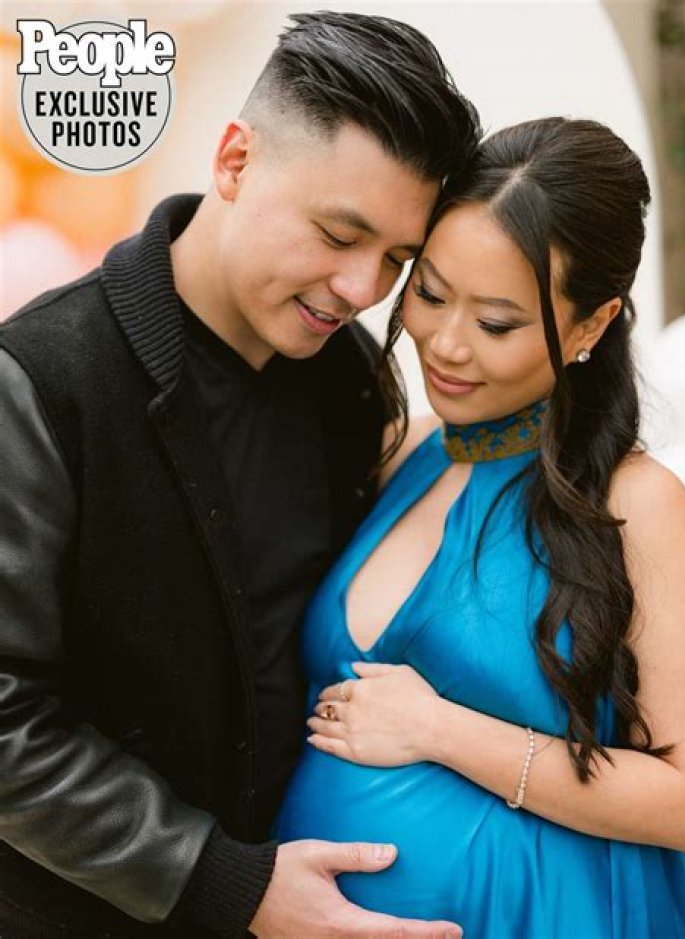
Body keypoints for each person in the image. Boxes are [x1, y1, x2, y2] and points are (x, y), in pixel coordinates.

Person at [0, 11, 480, 938]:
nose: (362, 289)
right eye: (339, 233)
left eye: (395, 258)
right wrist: (225, 882)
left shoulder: (348, 381)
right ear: (234, 161)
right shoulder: (39, 379)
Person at [274, 117, 685, 937]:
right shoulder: (404, 455)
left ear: (590, 325)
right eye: (430, 293)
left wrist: (441, 729)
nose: (445, 344)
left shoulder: (640, 504)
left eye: (497, 323)